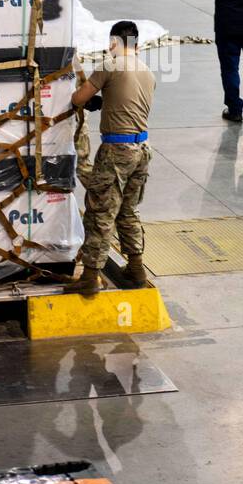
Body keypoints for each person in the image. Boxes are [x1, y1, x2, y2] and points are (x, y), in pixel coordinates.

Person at [68, 20, 155, 295]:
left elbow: (77, 98)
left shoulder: (110, 64)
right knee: (128, 210)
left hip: (116, 151)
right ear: (137, 45)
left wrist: (90, 96)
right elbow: (126, 102)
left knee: (100, 211)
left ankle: (90, 277)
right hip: (142, 150)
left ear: (113, 42)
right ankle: (136, 267)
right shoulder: (147, 71)